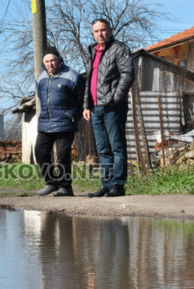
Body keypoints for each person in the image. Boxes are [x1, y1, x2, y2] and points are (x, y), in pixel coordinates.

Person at [83, 18, 135, 198]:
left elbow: (128, 74)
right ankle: (106, 184)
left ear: (110, 30)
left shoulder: (120, 49)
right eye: (96, 31)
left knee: (117, 147)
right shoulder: (93, 51)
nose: (100, 34)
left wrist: (115, 98)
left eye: (103, 30)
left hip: (113, 107)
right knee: (103, 148)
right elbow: (90, 80)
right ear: (93, 33)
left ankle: (118, 185)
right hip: (96, 108)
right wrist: (87, 105)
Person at [35, 46, 85, 197]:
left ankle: (65, 187)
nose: (50, 64)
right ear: (43, 62)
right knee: (40, 151)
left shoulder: (72, 75)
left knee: (63, 155)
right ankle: (51, 182)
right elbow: (40, 97)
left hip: (65, 122)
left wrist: (73, 116)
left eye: (52, 60)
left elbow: (81, 99)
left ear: (59, 60)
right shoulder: (42, 77)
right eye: (47, 61)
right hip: (45, 122)